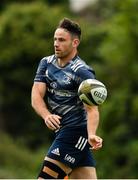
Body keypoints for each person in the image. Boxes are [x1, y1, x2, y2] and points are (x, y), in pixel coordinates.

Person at [31, 17, 103, 179]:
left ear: (75, 42)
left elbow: (92, 108)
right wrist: (46, 115)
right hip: (63, 132)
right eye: (55, 39)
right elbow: (36, 94)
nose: (56, 43)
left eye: (62, 40)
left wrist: (91, 133)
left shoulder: (82, 72)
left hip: (75, 132)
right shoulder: (46, 63)